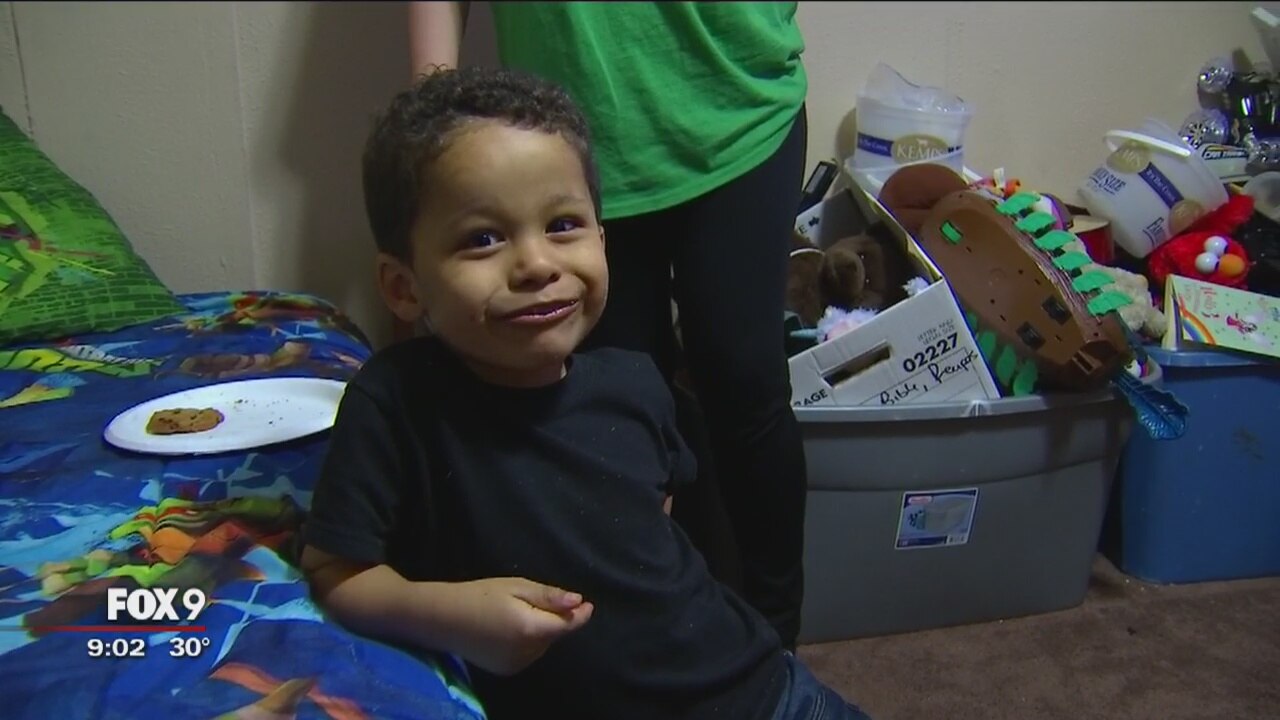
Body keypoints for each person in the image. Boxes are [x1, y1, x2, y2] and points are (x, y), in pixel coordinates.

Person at [300, 66, 867, 720]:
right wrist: (453, 615)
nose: (538, 264)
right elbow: (335, 571)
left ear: (602, 241)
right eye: (483, 239)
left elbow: (659, 524)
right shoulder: (395, 402)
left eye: (564, 224)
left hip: (765, 692)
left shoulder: (636, 382)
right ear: (404, 287)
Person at [409, 0, 812, 651]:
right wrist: (431, 127)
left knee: (745, 387)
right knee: (611, 415)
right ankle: (657, 633)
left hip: (740, 106)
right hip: (578, 139)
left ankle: (775, 644)